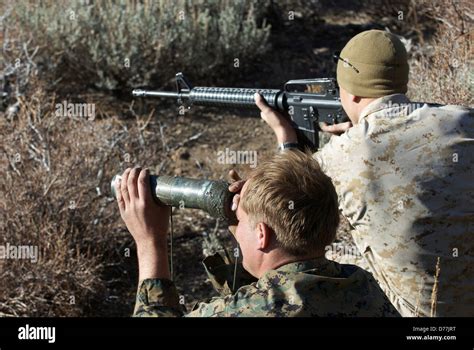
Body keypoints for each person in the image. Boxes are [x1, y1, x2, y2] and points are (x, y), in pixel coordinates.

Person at [253, 29, 474, 317]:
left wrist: (286, 139)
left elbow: (286, 209)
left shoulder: (339, 157)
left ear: (351, 91)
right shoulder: (464, 120)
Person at [114, 151, 400, 317]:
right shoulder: (361, 284)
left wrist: (150, 243)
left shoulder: (253, 308)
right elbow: (276, 284)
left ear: (262, 235)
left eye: (241, 221)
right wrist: (245, 223)